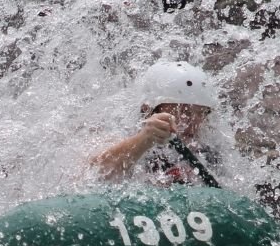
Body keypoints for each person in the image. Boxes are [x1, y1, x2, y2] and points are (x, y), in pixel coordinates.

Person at [91, 61, 220, 184]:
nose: (193, 121)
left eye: (200, 113)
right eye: (182, 110)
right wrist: (143, 140)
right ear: (149, 111)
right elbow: (92, 175)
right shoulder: (122, 136)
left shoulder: (210, 154)